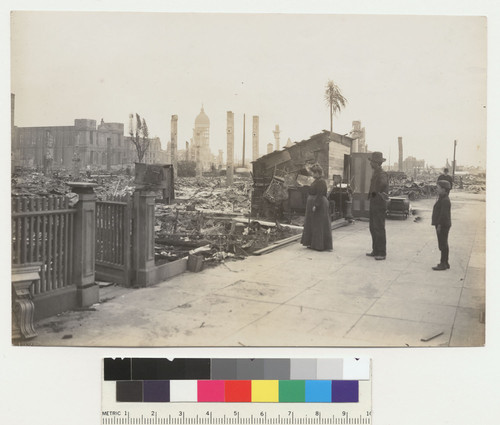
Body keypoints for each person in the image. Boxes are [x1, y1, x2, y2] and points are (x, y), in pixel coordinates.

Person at [300, 163, 333, 251]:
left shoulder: (321, 181)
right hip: (316, 203)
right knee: (314, 223)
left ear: (318, 173)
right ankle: (314, 244)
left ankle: (320, 245)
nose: (312, 174)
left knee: (319, 224)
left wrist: (316, 205)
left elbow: (320, 194)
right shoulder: (316, 181)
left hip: (320, 204)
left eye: (314, 173)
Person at [366, 151, 389, 260]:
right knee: (373, 227)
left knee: (379, 228)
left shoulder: (382, 174)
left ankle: (381, 252)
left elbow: (381, 187)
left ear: (376, 163)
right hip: (374, 203)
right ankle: (375, 250)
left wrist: (374, 194)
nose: (370, 164)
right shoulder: (376, 173)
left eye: (372, 162)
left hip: (379, 204)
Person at [431, 180, 452, 270]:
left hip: (442, 225)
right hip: (442, 224)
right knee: (443, 243)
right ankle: (445, 262)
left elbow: (443, 215)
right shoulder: (442, 198)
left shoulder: (445, 200)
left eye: (438, 188)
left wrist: (439, 225)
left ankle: (443, 263)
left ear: (444, 189)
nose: (436, 189)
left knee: (442, 244)